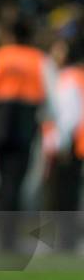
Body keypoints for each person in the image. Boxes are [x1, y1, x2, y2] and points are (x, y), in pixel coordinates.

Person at [0, 19, 57, 248]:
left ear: (9, 35)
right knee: (16, 180)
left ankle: (3, 235)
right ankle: (9, 236)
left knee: (4, 179)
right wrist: (49, 127)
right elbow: (51, 102)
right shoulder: (40, 60)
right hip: (26, 125)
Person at [45, 36, 84, 249]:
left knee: (63, 195)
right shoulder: (77, 76)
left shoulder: (66, 78)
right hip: (76, 144)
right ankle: (67, 240)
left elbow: (69, 116)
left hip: (68, 146)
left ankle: (64, 241)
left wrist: (61, 144)